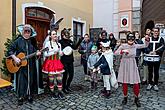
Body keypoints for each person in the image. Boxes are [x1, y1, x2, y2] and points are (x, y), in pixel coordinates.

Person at [7, 24, 41, 105]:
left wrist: (38, 53)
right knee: (21, 82)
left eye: (28, 31)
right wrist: (15, 58)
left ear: (30, 32)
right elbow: (10, 50)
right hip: (21, 65)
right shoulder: (18, 41)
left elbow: (36, 51)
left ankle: (30, 95)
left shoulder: (33, 41)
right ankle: (20, 97)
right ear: (22, 31)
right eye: (25, 31)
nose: (27, 32)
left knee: (31, 80)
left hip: (31, 64)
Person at [114, 33, 149, 107]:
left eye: (132, 39)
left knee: (136, 82)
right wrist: (122, 51)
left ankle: (136, 98)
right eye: (129, 38)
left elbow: (145, 45)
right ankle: (125, 97)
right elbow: (115, 53)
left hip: (132, 63)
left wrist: (147, 39)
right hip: (124, 64)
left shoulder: (135, 45)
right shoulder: (123, 45)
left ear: (134, 39)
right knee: (125, 82)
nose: (131, 40)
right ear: (127, 39)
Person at [42, 30, 65, 99]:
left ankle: (60, 92)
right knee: (51, 79)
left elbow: (60, 52)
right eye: (53, 34)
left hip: (57, 62)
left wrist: (61, 53)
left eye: (56, 34)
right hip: (50, 62)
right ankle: (52, 93)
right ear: (50, 36)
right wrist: (53, 53)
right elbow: (45, 54)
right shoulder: (48, 43)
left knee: (59, 78)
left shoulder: (59, 44)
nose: (55, 35)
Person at [59, 28, 83, 94]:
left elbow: (74, 47)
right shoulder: (60, 42)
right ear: (62, 34)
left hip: (70, 60)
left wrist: (79, 41)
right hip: (64, 61)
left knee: (71, 74)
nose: (67, 36)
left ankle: (68, 86)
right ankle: (64, 88)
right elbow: (59, 51)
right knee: (65, 75)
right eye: (66, 35)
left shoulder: (69, 41)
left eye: (68, 35)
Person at [146, 27, 165, 91]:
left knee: (156, 71)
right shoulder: (149, 39)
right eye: (154, 31)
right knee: (150, 71)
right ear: (152, 32)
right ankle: (150, 83)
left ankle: (155, 84)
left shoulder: (161, 39)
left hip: (157, 58)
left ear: (158, 32)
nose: (155, 32)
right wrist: (149, 51)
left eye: (157, 31)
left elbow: (162, 47)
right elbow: (146, 46)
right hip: (150, 58)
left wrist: (156, 52)